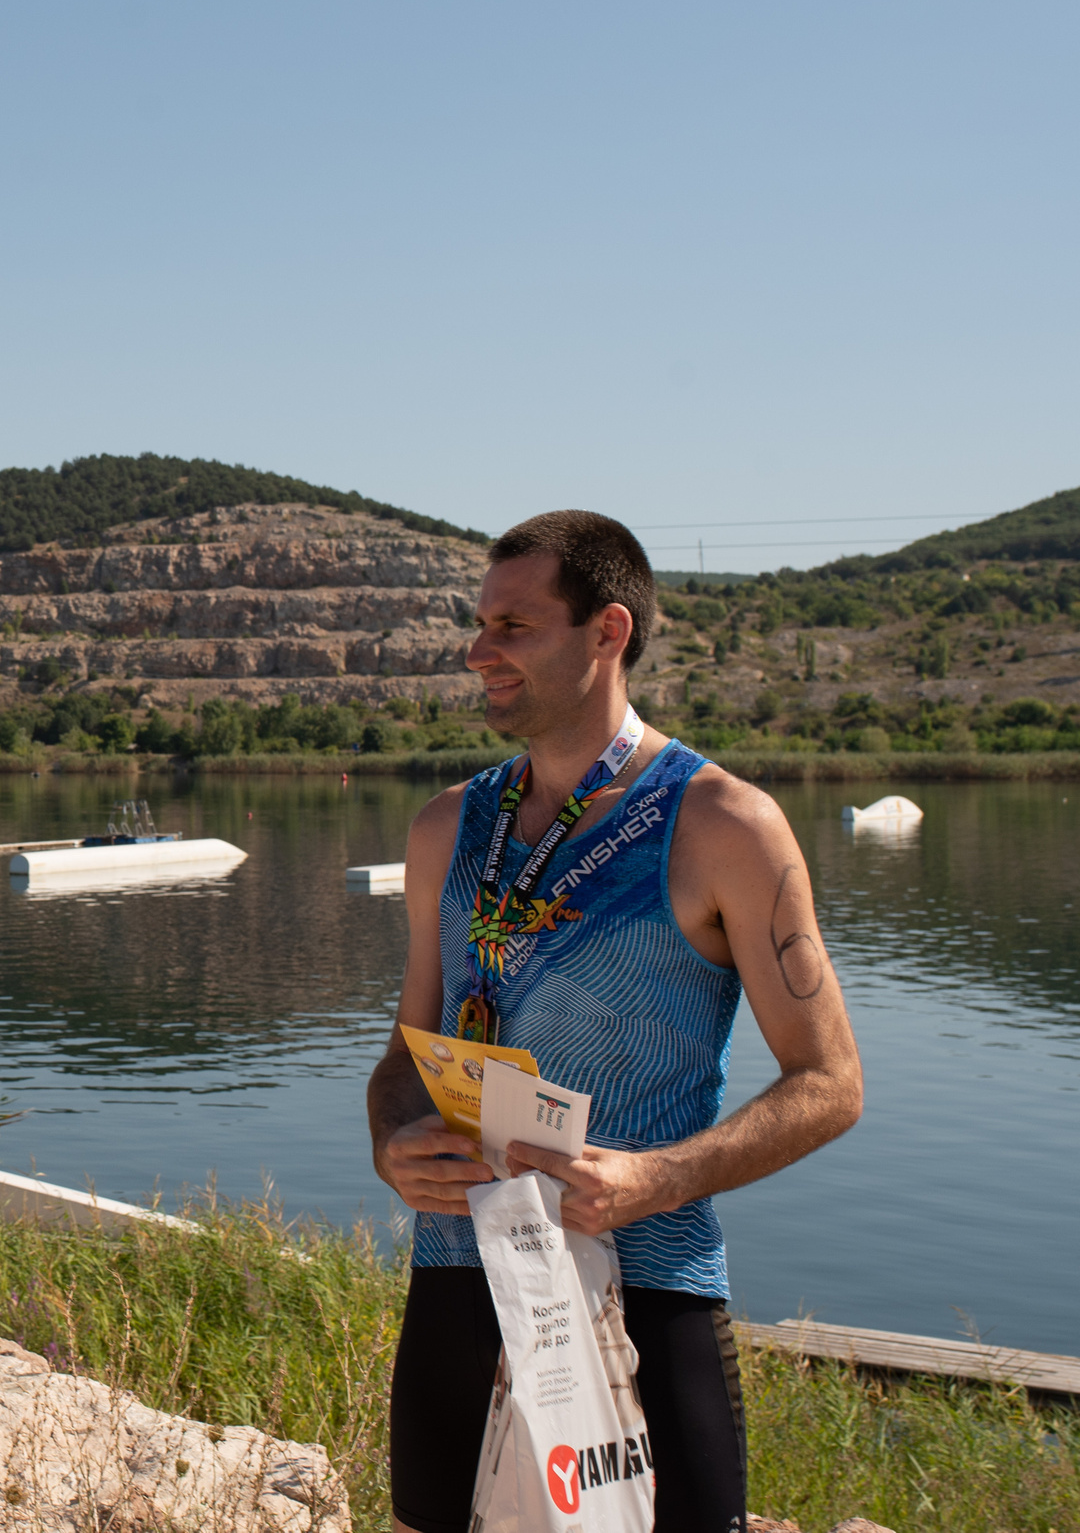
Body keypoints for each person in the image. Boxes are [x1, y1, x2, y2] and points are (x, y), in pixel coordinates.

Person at [366, 510, 865, 1533]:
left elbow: (830, 1084)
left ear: (608, 632)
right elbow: (399, 1063)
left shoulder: (725, 825)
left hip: (647, 1283)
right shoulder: (444, 826)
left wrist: (655, 1178)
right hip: (460, 1274)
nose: (478, 651)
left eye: (513, 625)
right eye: (478, 624)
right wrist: (392, 1144)